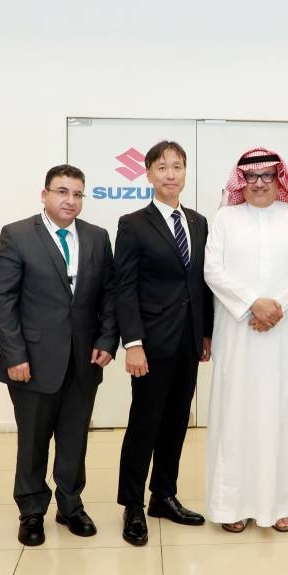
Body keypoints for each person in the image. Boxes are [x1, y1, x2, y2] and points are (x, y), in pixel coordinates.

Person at [0, 164, 118, 547]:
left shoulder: (97, 237)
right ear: (44, 194)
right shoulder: (17, 235)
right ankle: (31, 511)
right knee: (33, 441)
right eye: (62, 192)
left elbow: (109, 294)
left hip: (84, 360)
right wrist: (15, 355)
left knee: (74, 439)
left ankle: (70, 505)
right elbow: (3, 299)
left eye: (77, 194)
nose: (70, 200)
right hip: (30, 361)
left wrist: (107, 340)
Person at [204, 147, 288, 532]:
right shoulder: (225, 218)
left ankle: (281, 504)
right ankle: (232, 506)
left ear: (279, 179)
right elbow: (212, 270)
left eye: (266, 176)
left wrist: (276, 307)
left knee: (283, 417)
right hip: (238, 333)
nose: (258, 183)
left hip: (283, 333)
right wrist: (253, 303)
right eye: (250, 177)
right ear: (240, 181)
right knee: (235, 418)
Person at [115, 140, 213, 546]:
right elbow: (124, 287)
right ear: (149, 174)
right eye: (162, 167)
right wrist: (133, 343)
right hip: (151, 342)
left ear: (185, 172)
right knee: (145, 423)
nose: (170, 174)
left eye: (177, 166)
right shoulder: (133, 223)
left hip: (188, 340)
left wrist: (205, 332)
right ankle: (133, 504)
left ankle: (163, 495)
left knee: (176, 422)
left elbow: (202, 282)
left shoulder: (199, 222)